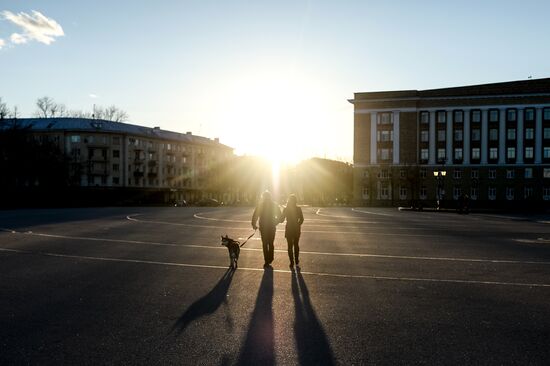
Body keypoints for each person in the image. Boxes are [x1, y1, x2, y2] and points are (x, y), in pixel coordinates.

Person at [251, 191, 281, 267]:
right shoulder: (274, 205)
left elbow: (255, 216)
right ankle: (270, 258)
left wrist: (254, 224)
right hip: (271, 226)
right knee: (270, 243)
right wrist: (275, 222)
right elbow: (280, 216)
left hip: (264, 227)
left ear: (263, 197)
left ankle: (267, 260)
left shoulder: (261, 205)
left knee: (265, 244)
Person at [279, 194, 304, 268]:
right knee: (296, 244)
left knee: (289, 246)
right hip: (296, 228)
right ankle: (296, 260)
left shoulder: (286, 209)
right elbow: (302, 219)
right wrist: (298, 224)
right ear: (295, 201)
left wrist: (275, 220)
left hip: (289, 228)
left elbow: (281, 219)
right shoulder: (298, 209)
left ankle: (291, 262)